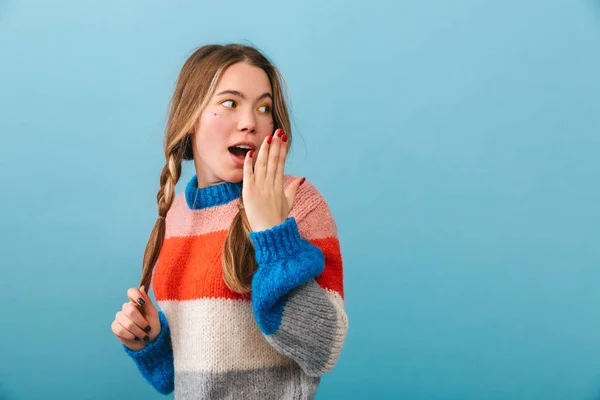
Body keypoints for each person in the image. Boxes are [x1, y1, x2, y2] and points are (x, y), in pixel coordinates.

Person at [110, 43, 348, 399]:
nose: (250, 122)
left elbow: (323, 348)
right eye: (229, 103)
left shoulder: (298, 201)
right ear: (191, 117)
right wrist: (153, 341)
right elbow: (193, 375)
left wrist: (271, 232)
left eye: (264, 107)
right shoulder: (175, 215)